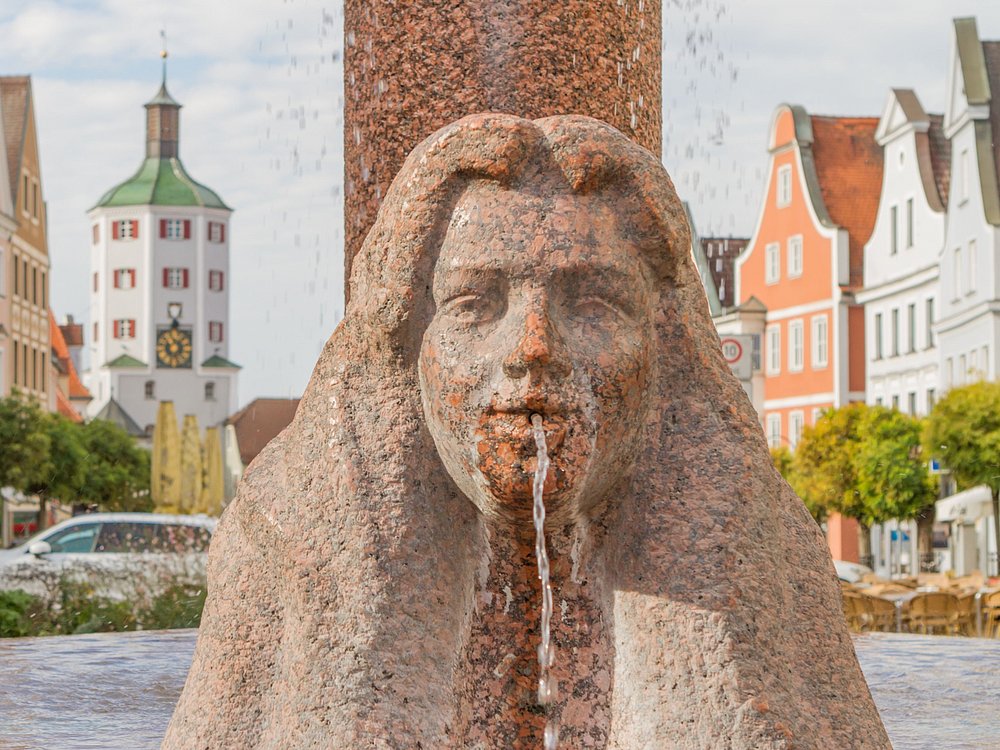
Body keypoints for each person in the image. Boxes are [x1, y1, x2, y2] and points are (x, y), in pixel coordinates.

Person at [164, 114, 890, 749]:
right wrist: (358, 618)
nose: (534, 346)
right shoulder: (283, 530)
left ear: (665, 345)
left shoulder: (759, 534)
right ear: (406, 342)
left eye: (595, 303)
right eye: (474, 303)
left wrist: (700, 607)